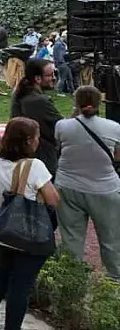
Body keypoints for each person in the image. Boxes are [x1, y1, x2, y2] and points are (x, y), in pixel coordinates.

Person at [0, 117, 60, 330]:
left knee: (1, 274)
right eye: (38, 137)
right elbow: (53, 200)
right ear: (30, 141)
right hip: (28, 236)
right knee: (20, 286)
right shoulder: (35, 166)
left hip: (2, 230)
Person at [55, 85, 120, 280]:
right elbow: (117, 157)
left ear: (76, 103)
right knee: (111, 238)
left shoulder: (62, 125)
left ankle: (71, 280)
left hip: (68, 186)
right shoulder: (114, 127)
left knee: (71, 238)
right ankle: (115, 280)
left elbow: (60, 147)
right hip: (105, 188)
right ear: (99, 102)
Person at [10, 59, 61, 175]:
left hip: (27, 153)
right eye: (50, 75)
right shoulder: (38, 100)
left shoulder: (20, 92)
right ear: (37, 78)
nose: (54, 78)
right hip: (42, 156)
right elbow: (61, 125)